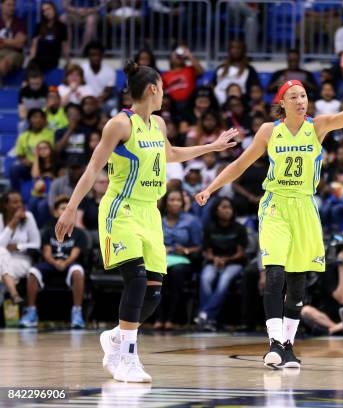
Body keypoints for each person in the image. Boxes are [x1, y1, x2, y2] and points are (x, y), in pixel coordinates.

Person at [54, 60, 238, 383]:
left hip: (150, 213)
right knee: (136, 281)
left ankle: (114, 337)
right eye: (163, 89)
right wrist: (71, 207)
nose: (164, 95)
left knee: (152, 295)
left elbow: (172, 155)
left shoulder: (159, 125)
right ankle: (126, 358)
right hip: (121, 210)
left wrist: (214, 145)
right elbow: (93, 168)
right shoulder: (119, 125)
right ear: (153, 89)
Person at [195, 71, 343, 369]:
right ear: (282, 103)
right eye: (293, 97)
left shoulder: (319, 126)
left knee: (297, 281)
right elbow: (240, 164)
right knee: (275, 273)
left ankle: (289, 346)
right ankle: (274, 343)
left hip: (305, 206)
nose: (300, 101)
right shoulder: (269, 131)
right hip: (275, 206)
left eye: (304, 95)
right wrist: (209, 189)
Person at [25, 196, 87, 329]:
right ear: (55, 212)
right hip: (51, 262)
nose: (65, 212)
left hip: (69, 263)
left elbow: (75, 254)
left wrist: (64, 263)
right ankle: (31, 312)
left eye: (68, 209)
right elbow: (46, 253)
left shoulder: (80, 233)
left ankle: (77, 312)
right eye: (62, 209)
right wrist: (55, 262)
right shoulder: (48, 230)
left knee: (78, 271)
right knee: (32, 272)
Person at [196, 197, 247, 331]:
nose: (227, 210)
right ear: (216, 210)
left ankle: (205, 314)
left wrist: (226, 260)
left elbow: (240, 252)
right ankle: (209, 320)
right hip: (214, 262)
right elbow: (208, 251)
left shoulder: (239, 228)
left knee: (224, 279)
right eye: (224, 207)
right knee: (205, 278)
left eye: (229, 207)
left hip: (234, 263)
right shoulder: (210, 227)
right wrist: (215, 260)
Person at [157, 189, 202, 330]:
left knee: (177, 273)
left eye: (178, 200)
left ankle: (172, 318)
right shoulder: (158, 219)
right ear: (166, 203)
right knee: (156, 274)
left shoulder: (191, 221)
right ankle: (158, 318)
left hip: (182, 260)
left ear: (183, 203)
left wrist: (186, 250)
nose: (175, 203)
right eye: (172, 200)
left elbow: (199, 246)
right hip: (161, 258)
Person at [0, 191, 41, 315]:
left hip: (22, 260)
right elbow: (1, 246)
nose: (19, 205)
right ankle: (14, 294)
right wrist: (13, 222)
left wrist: (18, 246)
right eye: (15, 202)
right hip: (3, 259)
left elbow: (36, 244)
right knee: (1, 252)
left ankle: (12, 294)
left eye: (21, 202)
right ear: (5, 205)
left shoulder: (29, 217)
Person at [29, 1, 69, 71]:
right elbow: (34, 45)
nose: (47, 12)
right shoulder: (39, 26)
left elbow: (64, 45)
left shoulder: (62, 26)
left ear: (54, 9)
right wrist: (31, 59)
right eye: (44, 10)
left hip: (52, 59)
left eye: (49, 9)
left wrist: (68, 61)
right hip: (39, 59)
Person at [0, 0, 27, 82]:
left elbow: (20, 44)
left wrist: (2, 41)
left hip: (15, 53)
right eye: (8, 5)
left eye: (13, 5)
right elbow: (16, 42)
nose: (11, 8)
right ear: (2, 5)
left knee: (3, 64)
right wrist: (13, 41)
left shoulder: (20, 23)